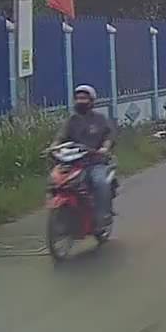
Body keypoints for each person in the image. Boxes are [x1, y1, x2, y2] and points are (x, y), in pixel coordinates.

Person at [53, 85, 114, 227]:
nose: (80, 101)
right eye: (78, 98)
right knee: (57, 182)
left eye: (84, 98)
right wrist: (53, 147)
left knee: (99, 182)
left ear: (92, 101)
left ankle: (102, 215)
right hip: (73, 163)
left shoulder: (100, 119)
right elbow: (60, 138)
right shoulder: (71, 121)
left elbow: (109, 136)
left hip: (95, 162)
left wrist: (104, 148)